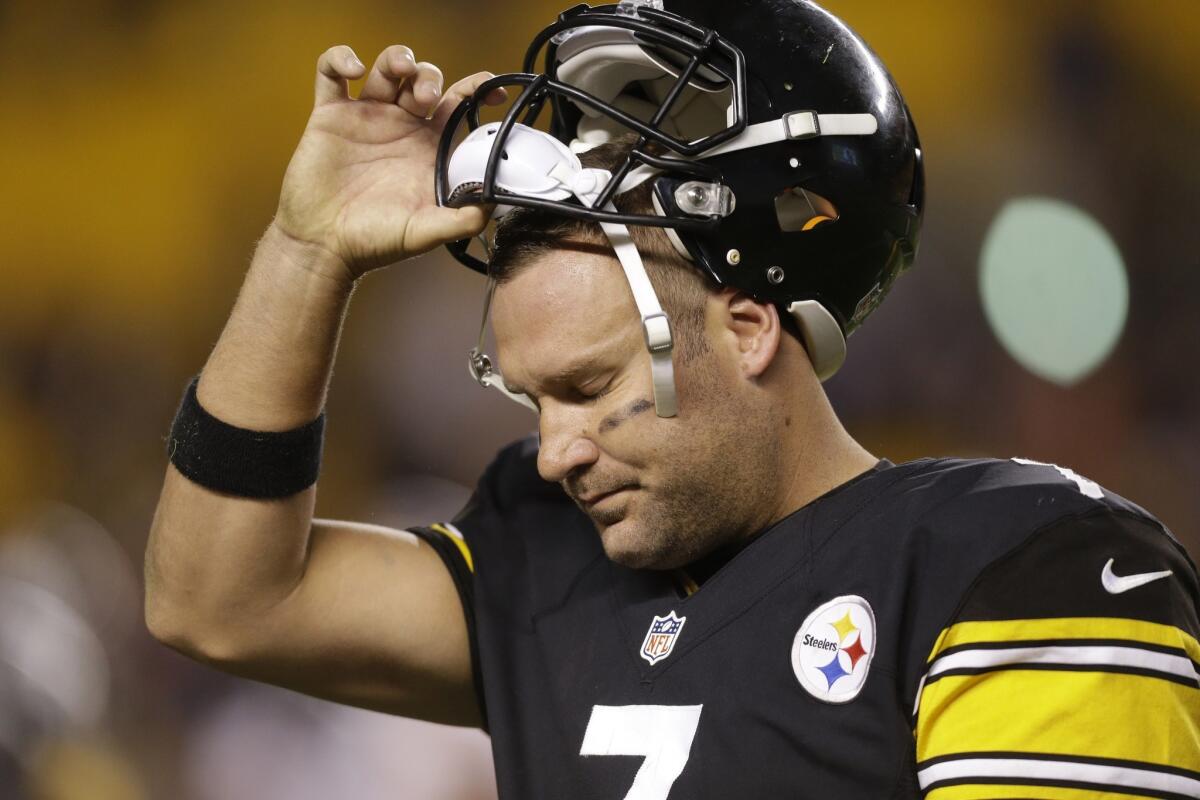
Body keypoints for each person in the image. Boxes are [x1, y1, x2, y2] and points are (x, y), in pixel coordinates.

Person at [145, 1, 1200, 798]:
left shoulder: (1014, 559)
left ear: (749, 329)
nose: (554, 450)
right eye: (533, 399)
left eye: (589, 386)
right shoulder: (542, 550)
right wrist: (305, 249)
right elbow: (215, 597)